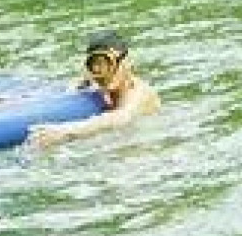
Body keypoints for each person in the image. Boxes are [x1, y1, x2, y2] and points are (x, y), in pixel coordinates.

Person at [27, 29, 160, 148]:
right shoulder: (93, 80)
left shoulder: (140, 91)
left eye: (106, 63)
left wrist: (65, 131)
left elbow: (122, 117)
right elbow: (70, 93)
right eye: (94, 64)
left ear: (126, 62)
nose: (101, 72)